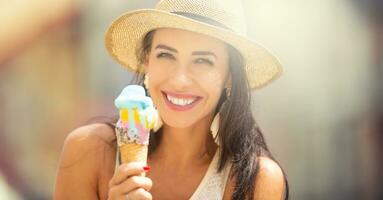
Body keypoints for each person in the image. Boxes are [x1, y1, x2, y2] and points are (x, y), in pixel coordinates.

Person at [54, 0, 290, 199]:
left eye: (203, 61)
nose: (179, 80)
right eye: (166, 55)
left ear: (230, 75)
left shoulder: (256, 180)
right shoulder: (88, 153)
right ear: (147, 60)